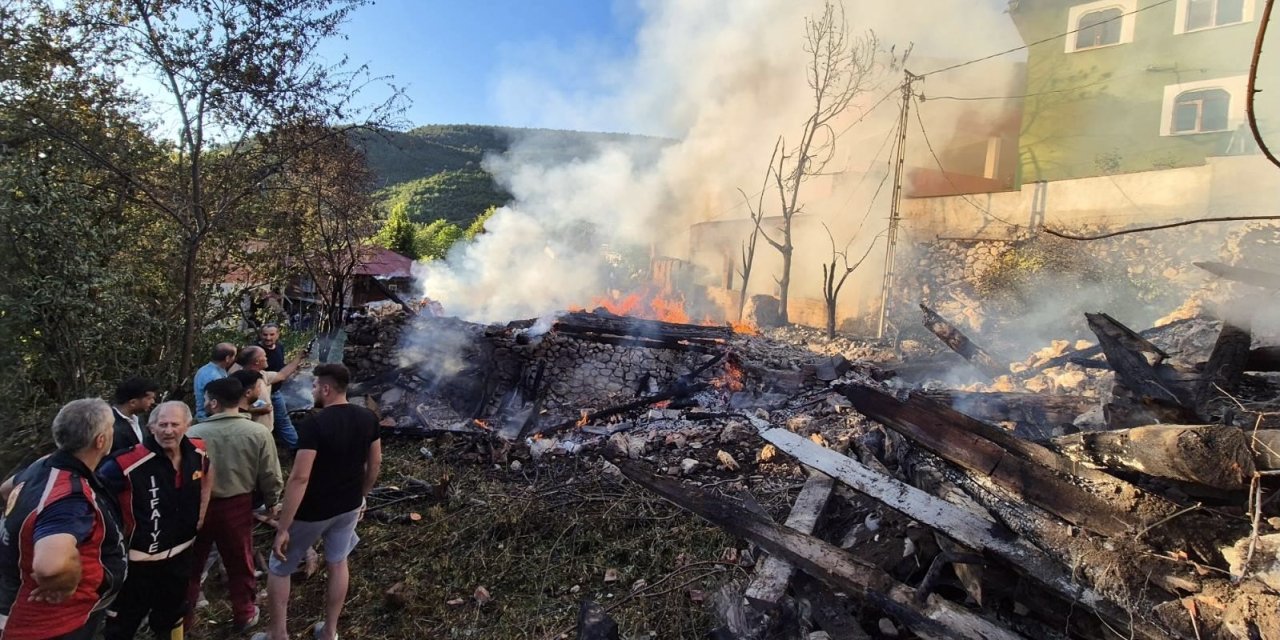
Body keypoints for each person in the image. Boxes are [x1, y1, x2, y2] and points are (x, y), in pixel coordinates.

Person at [256, 364, 381, 640]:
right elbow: (375, 464)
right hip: (348, 505)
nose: (312, 391)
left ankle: (277, 635)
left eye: (314, 386)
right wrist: (362, 496)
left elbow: (299, 479)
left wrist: (284, 527)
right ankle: (330, 632)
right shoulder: (368, 418)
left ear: (326, 388)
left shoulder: (314, 423)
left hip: (313, 510)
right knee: (338, 562)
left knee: (279, 568)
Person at [0, 399, 128, 640]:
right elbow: (50, 566)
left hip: (42, 613)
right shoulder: (68, 497)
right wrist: (67, 583)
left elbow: (7, 490)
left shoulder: (44, 464)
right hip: (51, 624)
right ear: (101, 440)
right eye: (111, 428)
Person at [98, 401, 211, 640]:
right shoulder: (125, 464)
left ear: (188, 426)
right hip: (138, 563)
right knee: (122, 624)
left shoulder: (199, 451)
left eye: (175, 424)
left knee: (171, 616)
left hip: (181, 554)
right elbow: (96, 500)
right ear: (150, 427)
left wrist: (201, 512)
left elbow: (208, 475)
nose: (168, 431)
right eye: (162, 425)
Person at [185, 378, 282, 634]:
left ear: (214, 403)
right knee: (240, 561)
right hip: (238, 505)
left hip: (198, 506)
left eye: (206, 399)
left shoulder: (193, 434)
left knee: (192, 563)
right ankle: (245, 613)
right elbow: (270, 473)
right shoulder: (257, 433)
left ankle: (183, 619)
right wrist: (273, 501)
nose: (205, 403)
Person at [236, 342, 305, 450]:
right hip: (249, 433)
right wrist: (256, 410)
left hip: (265, 431)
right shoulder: (239, 380)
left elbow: (282, 375)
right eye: (264, 356)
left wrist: (299, 357)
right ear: (257, 361)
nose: (266, 358)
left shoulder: (263, 375)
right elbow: (233, 408)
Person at [256, 324, 304, 450]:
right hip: (260, 395)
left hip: (275, 391)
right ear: (260, 335)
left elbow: (281, 368)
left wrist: (293, 367)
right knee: (262, 424)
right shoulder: (256, 351)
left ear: (277, 334)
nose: (268, 338)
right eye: (265, 334)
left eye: (271, 334)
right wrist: (297, 359)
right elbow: (280, 375)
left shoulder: (279, 347)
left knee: (283, 421)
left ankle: (297, 449)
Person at [110, 377, 160, 454]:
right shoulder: (109, 423)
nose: (153, 402)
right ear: (133, 402)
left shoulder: (139, 420)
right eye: (149, 398)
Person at [193, 343, 237, 421]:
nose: (234, 359)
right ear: (227, 358)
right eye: (233, 356)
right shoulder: (213, 376)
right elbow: (209, 402)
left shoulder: (206, 369)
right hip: (209, 418)